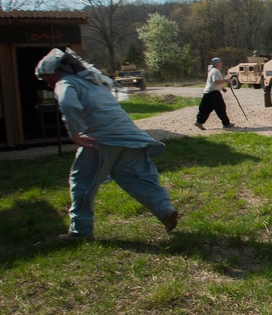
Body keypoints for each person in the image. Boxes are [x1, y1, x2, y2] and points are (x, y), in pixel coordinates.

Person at [35, 48, 179, 243]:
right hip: (129, 137)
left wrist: (75, 133)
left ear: (55, 71)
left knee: (82, 184)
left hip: (100, 140)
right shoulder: (93, 83)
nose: (47, 82)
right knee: (137, 177)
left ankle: (81, 231)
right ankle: (165, 210)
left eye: (46, 78)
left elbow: (69, 105)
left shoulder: (65, 83)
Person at [195, 57, 235, 130]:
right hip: (214, 93)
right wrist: (226, 80)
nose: (221, 64)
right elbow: (216, 81)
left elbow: (212, 82)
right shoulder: (215, 71)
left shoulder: (212, 71)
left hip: (208, 92)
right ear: (217, 64)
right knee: (220, 108)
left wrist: (222, 88)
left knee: (206, 108)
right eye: (220, 62)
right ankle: (226, 123)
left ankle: (199, 121)